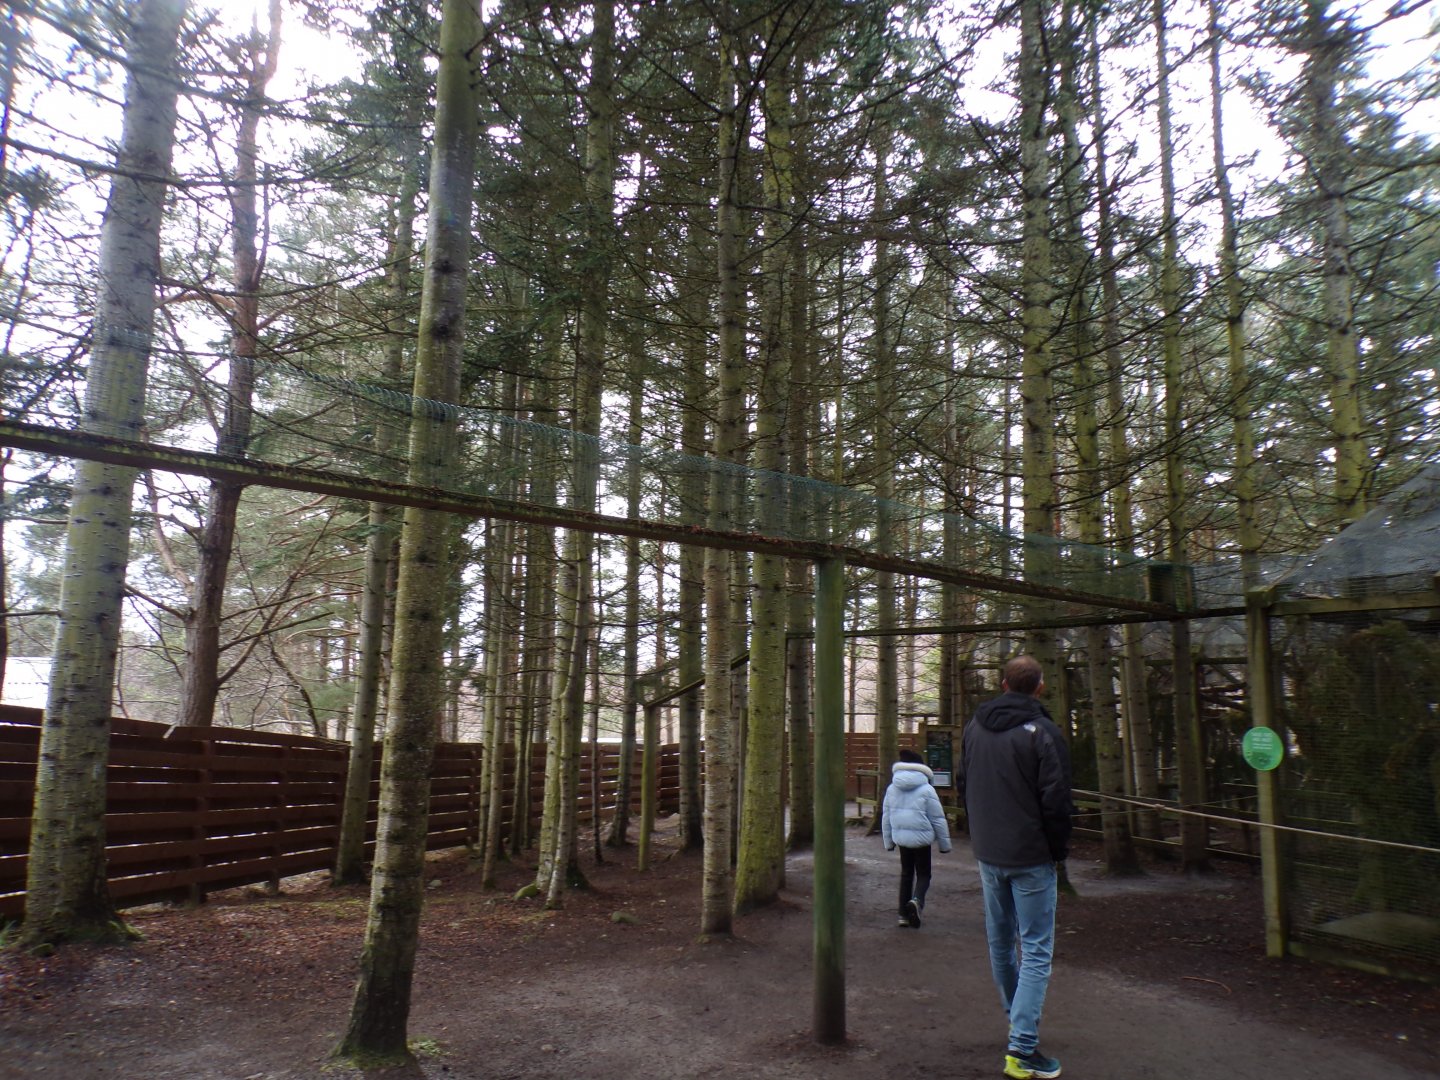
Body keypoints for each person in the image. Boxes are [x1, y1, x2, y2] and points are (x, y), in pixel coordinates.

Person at [958, 655, 1075, 1080]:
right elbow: (1057, 799)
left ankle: (1018, 1023)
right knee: (1036, 949)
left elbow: (963, 781)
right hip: (1030, 857)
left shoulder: (974, 727)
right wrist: (1058, 851)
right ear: (1038, 688)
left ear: (1004, 683)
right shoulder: (1043, 733)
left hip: (989, 852)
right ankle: (1022, 1048)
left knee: (1001, 942)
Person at [881, 746, 952, 928]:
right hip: (922, 839)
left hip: (902, 838)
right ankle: (917, 900)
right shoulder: (927, 789)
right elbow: (937, 819)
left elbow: (886, 816)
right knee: (924, 874)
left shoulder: (892, 788)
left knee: (906, 874)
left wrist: (888, 841)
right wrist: (944, 844)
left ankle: (902, 915)